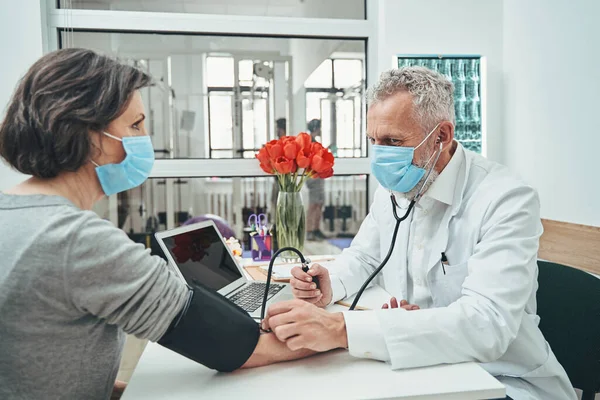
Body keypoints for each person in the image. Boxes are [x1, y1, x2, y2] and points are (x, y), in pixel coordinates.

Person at [0, 49, 311, 400]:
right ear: (88, 134)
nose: (145, 137)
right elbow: (237, 346)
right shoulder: (74, 239)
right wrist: (338, 333)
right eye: (135, 125)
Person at [263, 67, 577, 400]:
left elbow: (487, 325)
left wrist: (341, 329)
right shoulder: (396, 186)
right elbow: (365, 256)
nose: (381, 155)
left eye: (393, 141)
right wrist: (330, 282)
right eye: (374, 141)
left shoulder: (506, 198)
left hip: (502, 380)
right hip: (424, 368)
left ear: (441, 136)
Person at [305, 119, 327, 241]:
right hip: (313, 176)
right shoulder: (310, 142)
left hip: (318, 175)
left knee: (319, 203)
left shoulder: (315, 142)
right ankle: (309, 231)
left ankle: (315, 229)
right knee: (313, 204)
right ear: (316, 128)